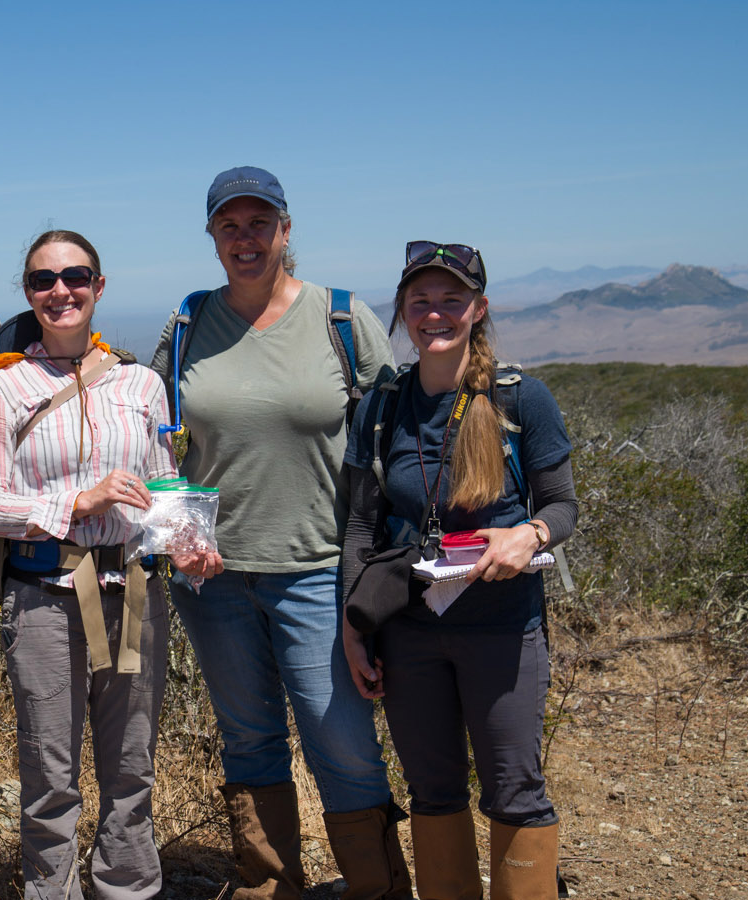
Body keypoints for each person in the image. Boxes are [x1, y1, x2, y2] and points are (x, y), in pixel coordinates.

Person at [149, 167, 411, 900]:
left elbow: (397, 433)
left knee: (345, 748)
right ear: (211, 237)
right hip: (212, 579)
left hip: (320, 572)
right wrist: (174, 534)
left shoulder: (339, 319)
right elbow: (154, 440)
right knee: (251, 742)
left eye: (259, 223)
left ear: (286, 231)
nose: (245, 239)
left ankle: (378, 889)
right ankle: (270, 889)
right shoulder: (187, 325)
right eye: (229, 226)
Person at [0, 230, 223, 898]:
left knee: (131, 770)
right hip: (45, 596)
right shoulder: (4, 390)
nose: (61, 292)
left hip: (134, 590)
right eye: (44, 281)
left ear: (99, 287)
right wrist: (77, 502)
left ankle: (128, 890)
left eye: (76, 277)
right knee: (50, 778)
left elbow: (161, 490)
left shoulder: (139, 385)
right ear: (28, 294)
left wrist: (189, 546)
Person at [341, 242, 577, 900]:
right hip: (410, 634)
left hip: (503, 630)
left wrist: (527, 535)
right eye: (421, 301)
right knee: (433, 792)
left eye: (452, 300)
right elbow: (361, 525)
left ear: (479, 308)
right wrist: (353, 626)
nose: (435, 314)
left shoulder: (521, 399)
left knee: (515, 791)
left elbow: (562, 507)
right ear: (403, 312)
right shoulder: (382, 408)